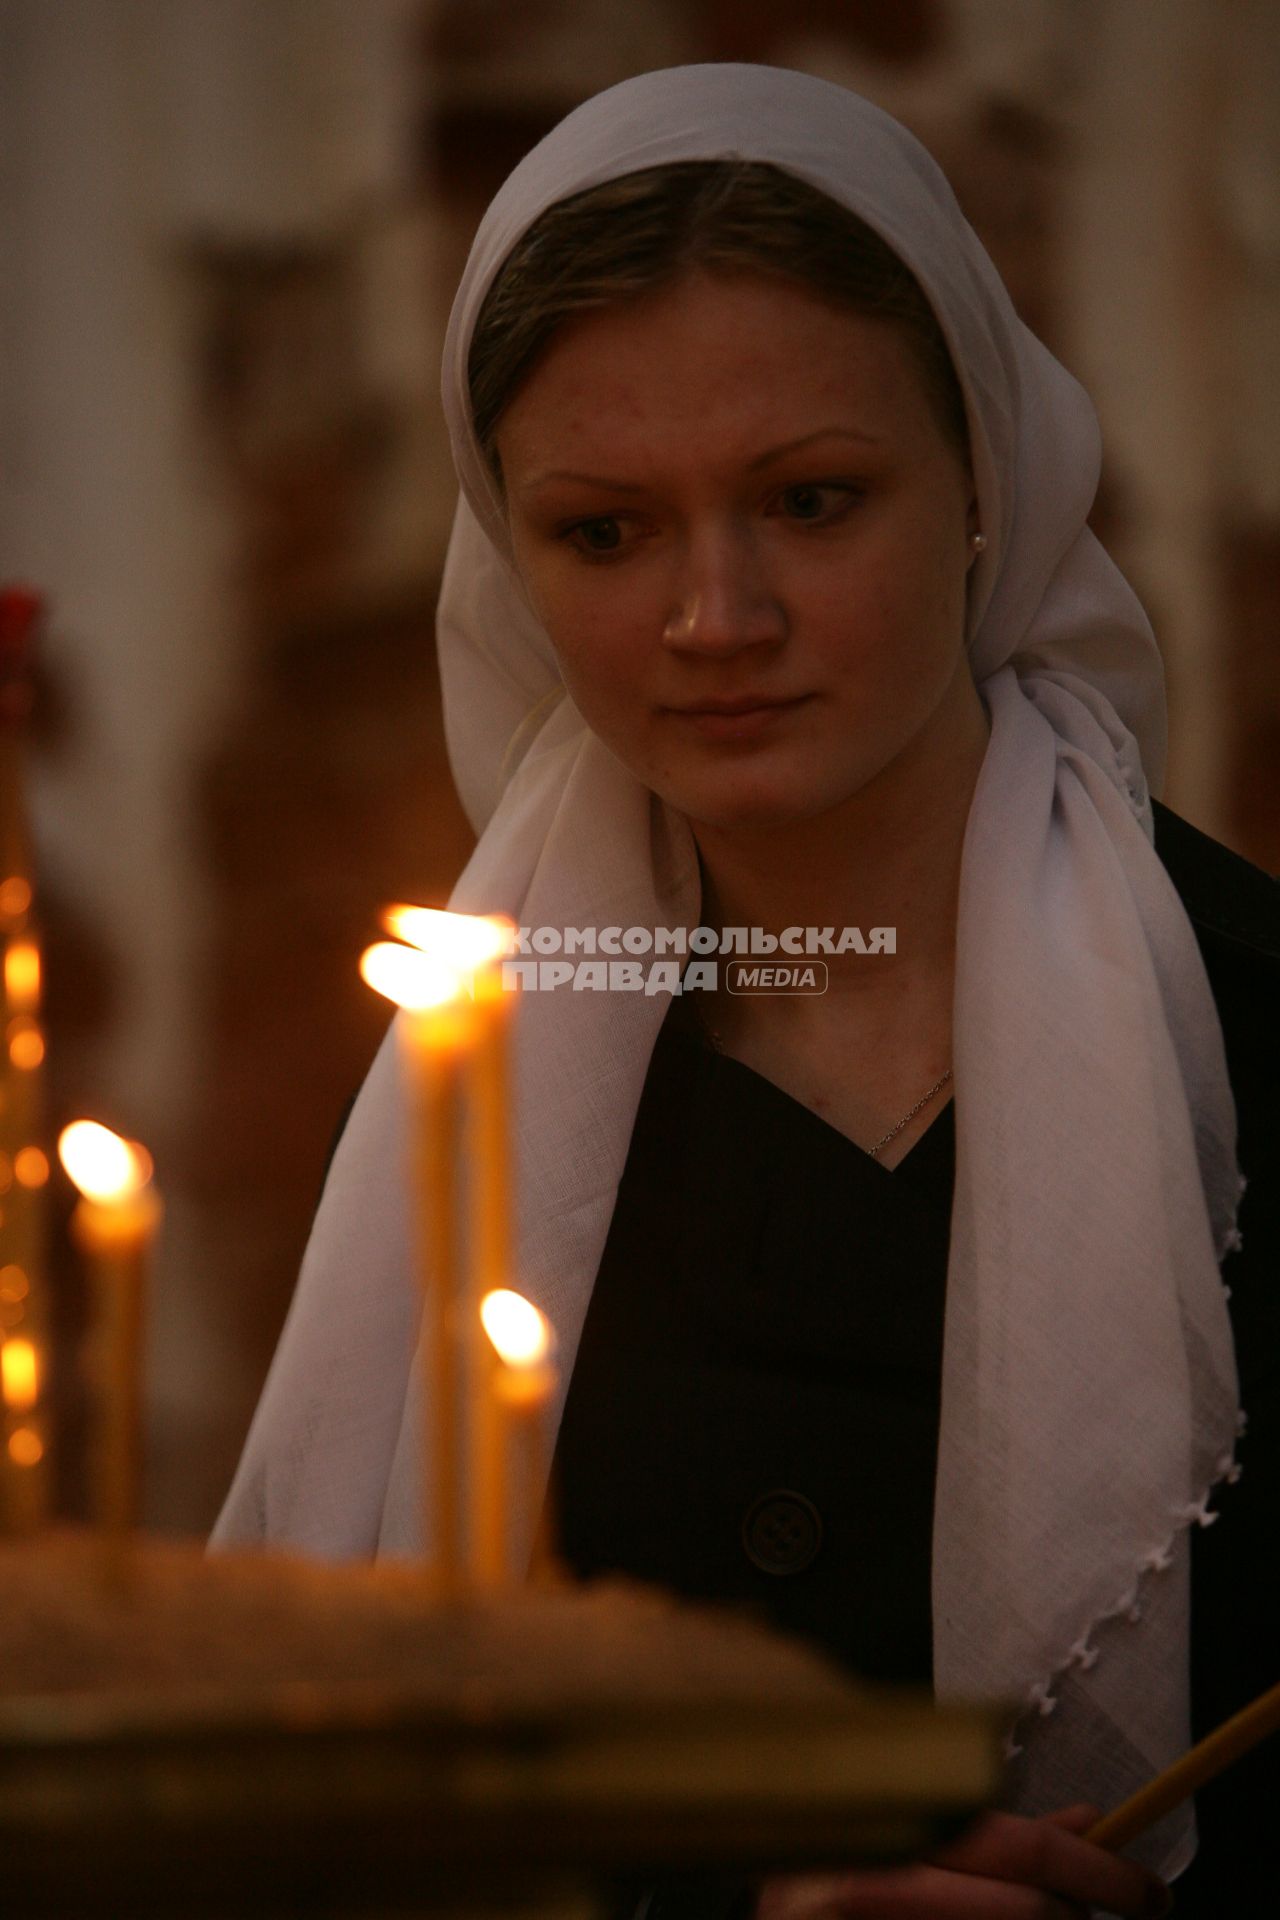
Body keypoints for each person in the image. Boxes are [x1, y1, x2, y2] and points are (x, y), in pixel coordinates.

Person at [212, 64, 1279, 1917]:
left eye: (809, 498)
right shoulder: (465, 1079)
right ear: (511, 560)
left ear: (981, 489)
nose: (718, 617)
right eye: (606, 533)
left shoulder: (1256, 1017)